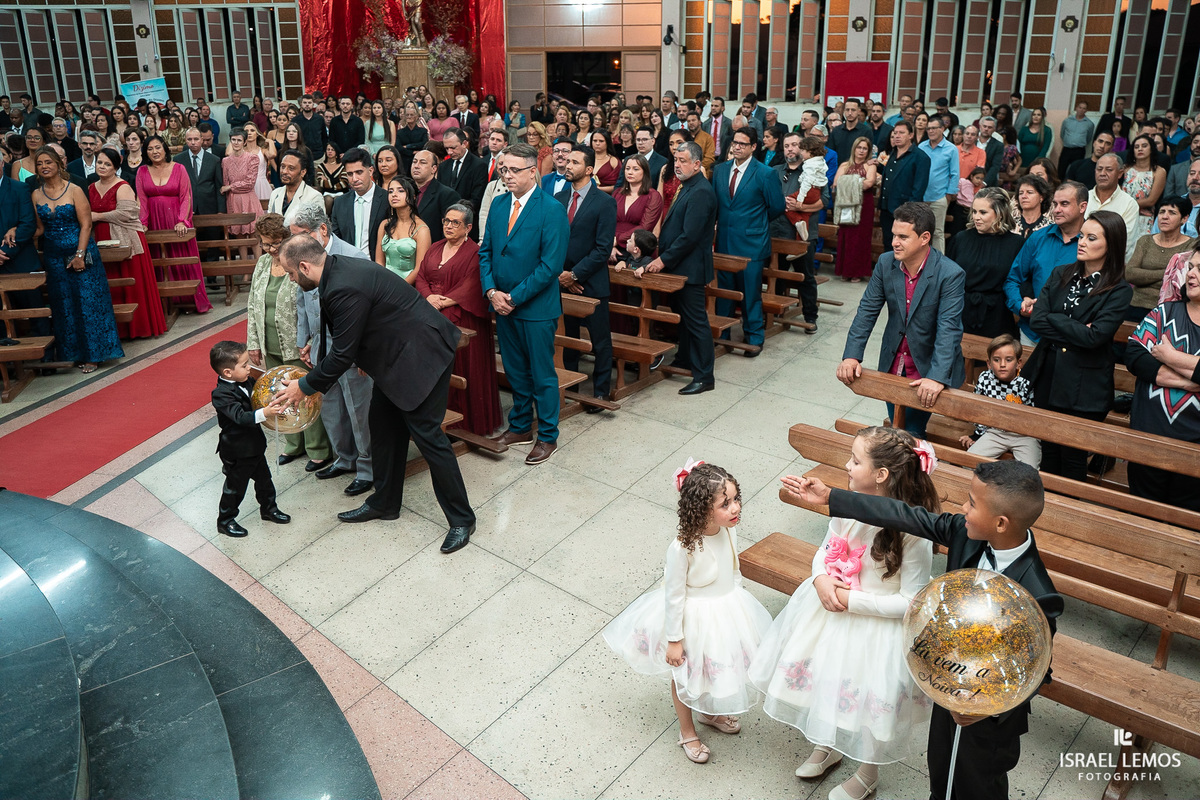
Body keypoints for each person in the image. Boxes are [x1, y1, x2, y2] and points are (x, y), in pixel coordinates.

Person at [785, 459, 1062, 800]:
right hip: (948, 692)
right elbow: (904, 515)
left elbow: (1037, 671)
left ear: (1001, 523)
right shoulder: (965, 532)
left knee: (977, 786)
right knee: (941, 774)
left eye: (972, 503)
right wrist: (831, 496)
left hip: (988, 723)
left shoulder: (1038, 593)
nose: (963, 508)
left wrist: (988, 710)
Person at [751, 427, 935, 799]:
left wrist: (852, 601)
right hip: (830, 610)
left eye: (855, 460)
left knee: (870, 703)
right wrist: (820, 577)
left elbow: (912, 601)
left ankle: (868, 773)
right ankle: (828, 744)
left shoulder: (914, 530)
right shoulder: (850, 502)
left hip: (877, 628)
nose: (847, 465)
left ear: (881, 474)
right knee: (828, 681)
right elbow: (827, 547)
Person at [273, 233, 476, 553]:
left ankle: (462, 519)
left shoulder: (341, 285)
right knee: (382, 427)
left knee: (429, 438)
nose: (291, 279)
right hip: (394, 358)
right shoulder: (334, 268)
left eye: (290, 273)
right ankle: (385, 502)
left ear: (304, 266)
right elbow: (343, 335)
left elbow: (342, 353)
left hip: (422, 356)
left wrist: (306, 386)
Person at [603, 462, 772, 765]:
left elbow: (733, 569)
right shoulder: (683, 547)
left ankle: (710, 714)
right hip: (693, 618)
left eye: (736, 499)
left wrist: (739, 601)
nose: (736, 508)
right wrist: (674, 639)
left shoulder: (726, 530)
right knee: (686, 673)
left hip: (726, 609)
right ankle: (687, 730)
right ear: (703, 509)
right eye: (726, 503)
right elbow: (674, 596)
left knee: (715, 665)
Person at [838, 202, 966, 437]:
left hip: (926, 366)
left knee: (912, 431)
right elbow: (867, 311)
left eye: (903, 237)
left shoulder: (950, 274)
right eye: (894, 234)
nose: (894, 241)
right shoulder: (887, 263)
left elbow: (949, 329)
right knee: (898, 427)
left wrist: (936, 377)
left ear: (925, 237)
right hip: (894, 361)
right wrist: (851, 355)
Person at [1023, 211, 1133, 481]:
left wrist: (1055, 318)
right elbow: (1037, 320)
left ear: (1111, 245)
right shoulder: (1061, 273)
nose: (1081, 241)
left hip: (1086, 385)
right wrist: (1072, 327)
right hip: (1048, 375)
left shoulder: (1119, 290)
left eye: (1091, 237)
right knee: (1047, 451)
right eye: (1082, 235)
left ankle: (1069, 519)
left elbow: (1095, 337)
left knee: (1073, 459)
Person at [478, 142, 569, 463]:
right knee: (515, 371)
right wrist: (491, 292)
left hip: (535, 307)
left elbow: (551, 265)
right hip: (501, 303)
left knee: (541, 373)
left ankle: (547, 435)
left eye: (515, 170)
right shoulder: (500, 204)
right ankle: (519, 426)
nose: (508, 175)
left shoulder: (551, 209)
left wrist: (513, 297)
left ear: (533, 171)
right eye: (504, 169)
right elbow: (486, 250)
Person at [288, 205, 374, 497]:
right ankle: (344, 457)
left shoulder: (353, 257)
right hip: (321, 342)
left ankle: (367, 467)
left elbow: (370, 313)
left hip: (351, 347)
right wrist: (306, 338)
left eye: (300, 236)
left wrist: (365, 353)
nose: (295, 245)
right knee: (331, 405)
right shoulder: (304, 258)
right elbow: (303, 299)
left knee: (358, 408)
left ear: (321, 230)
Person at [245, 214, 332, 471]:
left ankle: (318, 449)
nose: (270, 249)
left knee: (305, 394)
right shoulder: (261, 264)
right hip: (268, 340)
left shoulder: (296, 263)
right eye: (265, 244)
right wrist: (253, 342)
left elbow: (310, 305)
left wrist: (309, 339)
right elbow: (252, 303)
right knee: (279, 394)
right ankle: (293, 444)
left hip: (296, 343)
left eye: (274, 244)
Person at [31, 147, 124, 372]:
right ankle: (70, 353)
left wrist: (80, 255)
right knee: (63, 305)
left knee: (88, 303)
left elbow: (86, 225)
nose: (44, 166)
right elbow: (40, 229)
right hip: (54, 257)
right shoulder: (36, 194)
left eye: (48, 162)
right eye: (40, 163)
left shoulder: (74, 190)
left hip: (81, 252)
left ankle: (94, 355)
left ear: (59, 165)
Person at [415, 203, 502, 436]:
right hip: (433, 313)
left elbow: (472, 285)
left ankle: (466, 425)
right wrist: (429, 297)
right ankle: (441, 422)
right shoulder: (434, 247)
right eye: (446, 221)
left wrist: (443, 301)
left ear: (468, 228)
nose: (449, 226)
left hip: (464, 317)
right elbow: (422, 275)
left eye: (456, 223)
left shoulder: (475, 252)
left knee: (464, 368)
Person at [1126, 250, 1200, 511]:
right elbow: (1135, 355)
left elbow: (1156, 357)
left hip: (1194, 450)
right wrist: (1187, 382)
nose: (1191, 273)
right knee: (1142, 515)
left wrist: (1170, 355)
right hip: (1149, 436)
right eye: (1191, 267)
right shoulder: (1165, 312)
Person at [645, 141, 718, 395]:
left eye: (683, 161)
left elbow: (690, 236)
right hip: (679, 268)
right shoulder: (688, 186)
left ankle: (704, 376)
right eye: (676, 160)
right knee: (685, 319)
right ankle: (686, 359)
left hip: (690, 269)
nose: (677, 165)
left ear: (697, 164)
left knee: (697, 322)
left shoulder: (700, 191)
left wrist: (662, 260)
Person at [713, 126, 785, 354]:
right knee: (724, 293)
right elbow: (717, 205)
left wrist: (754, 225)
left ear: (754, 147)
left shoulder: (765, 173)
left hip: (751, 244)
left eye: (742, 144)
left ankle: (754, 336)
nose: (736, 147)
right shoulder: (720, 170)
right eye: (735, 142)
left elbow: (776, 206)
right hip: (725, 240)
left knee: (750, 294)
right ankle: (722, 332)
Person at [209, 341, 291, 538]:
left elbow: (258, 398)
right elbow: (240, 417)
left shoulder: (247, 381)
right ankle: (225, 520)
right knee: (235, 488)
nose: (249, 368)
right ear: (228, 372)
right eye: (244, 365)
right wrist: (265, 412)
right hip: (237, 450)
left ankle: (269, 509)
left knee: (264, 481)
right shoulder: (221, 394)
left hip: (254, 445)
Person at [556, 144, 618, 407]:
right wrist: (561, 275)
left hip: (590, 282)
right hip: (561, 281)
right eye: (567, 161)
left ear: (589, 169)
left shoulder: (604, 202)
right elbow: (552, 241)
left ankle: (601, 390)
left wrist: (575, 275)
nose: (567, 165)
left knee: (600, 340)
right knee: (568, 338)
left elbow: (603, 248)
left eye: (574, 162)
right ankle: (571, 384)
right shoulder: (558, 198)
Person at [90, 148, 167, 339]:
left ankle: (137, 328)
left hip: (125, 239)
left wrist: (98, 216)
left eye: (108, 164)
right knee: (110, 284)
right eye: (100, 162)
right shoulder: (91, 187)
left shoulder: (122, 186)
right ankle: (116, 329)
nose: (102, 167)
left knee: (130, 284)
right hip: (100, 238)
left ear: (116, 167)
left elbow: (127, 213)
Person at [1006, 181, 1091, 345]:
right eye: (1055, 204)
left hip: (1072, 336)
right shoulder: (1038, 237)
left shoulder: (1094, 242)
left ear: (1082, 207)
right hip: (1032, 332)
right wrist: (1020, 306)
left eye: (1064, 204)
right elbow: (1013, 279)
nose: (1057, 210)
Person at [137, 134, 212, 313]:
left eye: (157, 147)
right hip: (154, 222)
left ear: (164, 148)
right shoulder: (142, 171)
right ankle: (163, 302)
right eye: (150, 149)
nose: (154, 152)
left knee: (181, 258)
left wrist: (183, 221)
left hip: (176, 221)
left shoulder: (179, 168)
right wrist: (143, 222)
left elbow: (186, 196)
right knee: (159, 259)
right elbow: (141, 199)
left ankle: (189, 300)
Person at [947, 187, 1024, 338]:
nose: (976, 217)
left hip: (998, 315)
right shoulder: (961, 239)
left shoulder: (1016, 244)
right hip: (960, 312)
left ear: (1000, 214)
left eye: (983, 212)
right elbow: (947, 277)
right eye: (974, 211)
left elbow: (1020, 281)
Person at [957, 334, 1041, 466]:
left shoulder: (1025, 382)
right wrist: (977, 435)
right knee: (969, 462)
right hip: (995, 432)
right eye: (996, 360)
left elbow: (1036, 415)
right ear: (989, 364)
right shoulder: (985, 378)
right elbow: (979, 410)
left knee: (1029, 472)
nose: (1002, 365)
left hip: (1024, 435)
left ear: (1019, 363)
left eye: (1008, 360)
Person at [1125, 198, 1195, 320]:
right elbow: (1130, 274)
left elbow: (1182, 280)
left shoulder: (1191, 246)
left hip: (1170, 309)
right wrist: (1169, 272)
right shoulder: (1145, 241)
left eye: (1172, 213)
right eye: (1162, 212)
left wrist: (1144, 276)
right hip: (1136, 304)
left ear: (1184, 219)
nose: (1164, 217)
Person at [328, 147, 388, 258]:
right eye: (350, 174)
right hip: (348, 266)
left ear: (370, 171)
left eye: (359, 172)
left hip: (378, 267)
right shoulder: (340, 203)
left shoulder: (386, 199)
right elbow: (336, 241)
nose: (354, 179)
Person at [878, 122, 929, 247]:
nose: (897, 136)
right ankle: (889, 267)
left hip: (905, 212)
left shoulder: (921, 157)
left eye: (901, 133)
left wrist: (909, 213)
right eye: (895, 133)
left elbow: (918, 189)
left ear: (911, 135)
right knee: (887, 244)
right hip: (886, 208)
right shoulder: (892, 154)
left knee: (902, 246)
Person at [220, 129, 264, 263]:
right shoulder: (225, 161)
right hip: (233, 201)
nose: (236, 142)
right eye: (233, 140)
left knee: (254, 237)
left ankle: (258, 269)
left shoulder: (252, 158)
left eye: (239, 140)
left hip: (249, 199)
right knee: (239, 239)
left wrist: (231, 187)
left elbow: (249, 183)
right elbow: (224, 184)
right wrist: (229, 189)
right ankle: (245, 271)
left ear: (244, 142)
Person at [375, 176, 429, 283]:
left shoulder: (422, 229)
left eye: (400, 191)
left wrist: (399, 288)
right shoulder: (384, 224)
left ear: (413, 196)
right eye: (390, 191)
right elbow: (379, 262)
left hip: (408, 286)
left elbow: (419, 268)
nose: (394, 194)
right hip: (384, 284)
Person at [1087, 153, 1140, 260]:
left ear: (1120, 173)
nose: (1102, 173)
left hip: (1111, 265)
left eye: (1109, 170)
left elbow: (1126, 242)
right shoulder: (1083, 198)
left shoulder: (1129, 204)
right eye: (1099, 169)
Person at [1122, 135, 1167, 243]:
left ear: (1151, 149)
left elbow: (1151, 201)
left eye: (1144, 146)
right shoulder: (1125, 169)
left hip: (1143, 219)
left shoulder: (1159, 171)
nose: (1140, 149)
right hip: (1122, 216)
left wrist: (1125, 205)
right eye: (1136, 147)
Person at [438, 128, 487, 226]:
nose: (449, 152)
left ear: (464, 143)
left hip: (466, 222)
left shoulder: (479, 165)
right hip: (445, 222)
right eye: (447, 148)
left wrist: (457, 216)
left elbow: (477, 198)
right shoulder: (444, 166)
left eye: (453, 148)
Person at [409, 149, 460, 243]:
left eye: (422, 163)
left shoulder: (447, 195)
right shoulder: (407, 192)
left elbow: (449, 233)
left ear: (434, 169)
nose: (416, 166)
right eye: (414, 162)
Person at [266, 149, 324, 227]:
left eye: (291, 168)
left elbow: (316, 229)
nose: (284, 171)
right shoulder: (275, 193)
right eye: (283, 167)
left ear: (303, 172)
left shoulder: (314, 197)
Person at [788, 135, 829, 242]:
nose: (800, 152)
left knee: (787, 204)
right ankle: (801, 241)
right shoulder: (821, 161)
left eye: (802, 150)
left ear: (810, 151)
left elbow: (807, 182)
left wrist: (800, 200)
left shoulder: (809, 164)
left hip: (809, 191)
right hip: (816, 192)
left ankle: (797, 221)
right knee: (805, 216)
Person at [1013, 173, 1053, 239]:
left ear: (1041, 197)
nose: (1024, 196)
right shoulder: (1010, 225)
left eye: (1030, 192)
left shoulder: (1050, 227)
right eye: (1021, 193)